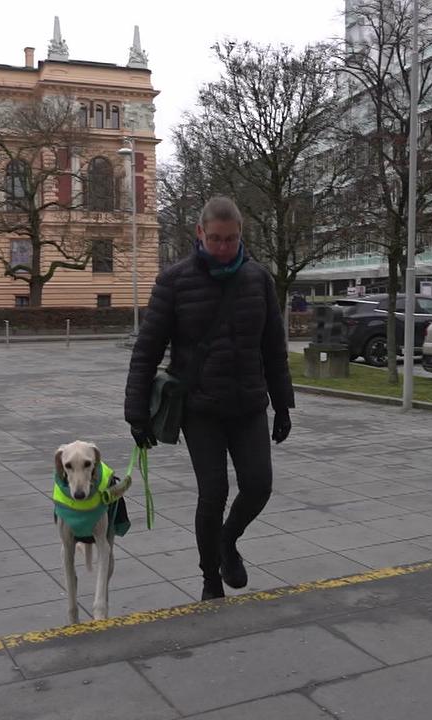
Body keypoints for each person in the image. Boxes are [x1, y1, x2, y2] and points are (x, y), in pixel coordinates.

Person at [124, 196, 294, 600]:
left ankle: (227, 543)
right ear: (200, 233)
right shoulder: (174, 281)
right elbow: (147, 349)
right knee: (213, 491)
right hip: (200, 406)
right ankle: (209, 579)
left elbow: (274, 346)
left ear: (241, 236)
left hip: (249, 402)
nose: (222, 247)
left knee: (258, 486)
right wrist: (136, 414)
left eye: (231, 239)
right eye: (215, 238)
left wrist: (283, 402)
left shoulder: (258, 280)